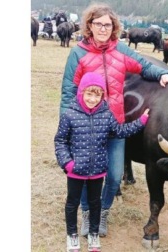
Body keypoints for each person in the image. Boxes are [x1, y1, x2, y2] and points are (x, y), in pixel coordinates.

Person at [58, 2, 168, 238]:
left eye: (107, 25)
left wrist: (161, 73)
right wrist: (67, 126)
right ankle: (88, 214)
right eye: (98, 24)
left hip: (113, 126)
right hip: (84, 127)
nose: (103, 28)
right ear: (89, 25)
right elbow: (69, 90)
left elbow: (143, 66)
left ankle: (103, 212)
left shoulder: (120, 50)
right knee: (83, 174)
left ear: (114, 27)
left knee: (113, 176)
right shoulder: (78, 52)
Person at [55, 72, 150, 252]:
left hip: (98, 170)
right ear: (81, 92)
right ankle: (72, 235)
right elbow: (60, 141)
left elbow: (120, 131)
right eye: (89, 93)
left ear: (102, 96)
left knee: (95, 203)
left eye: (97, 94)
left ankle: (93, 233)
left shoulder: (106, 114)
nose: (92, 98)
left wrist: (142, 121)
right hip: (76, 170)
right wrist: (67, 163)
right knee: (72, 203)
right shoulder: (69, 115)